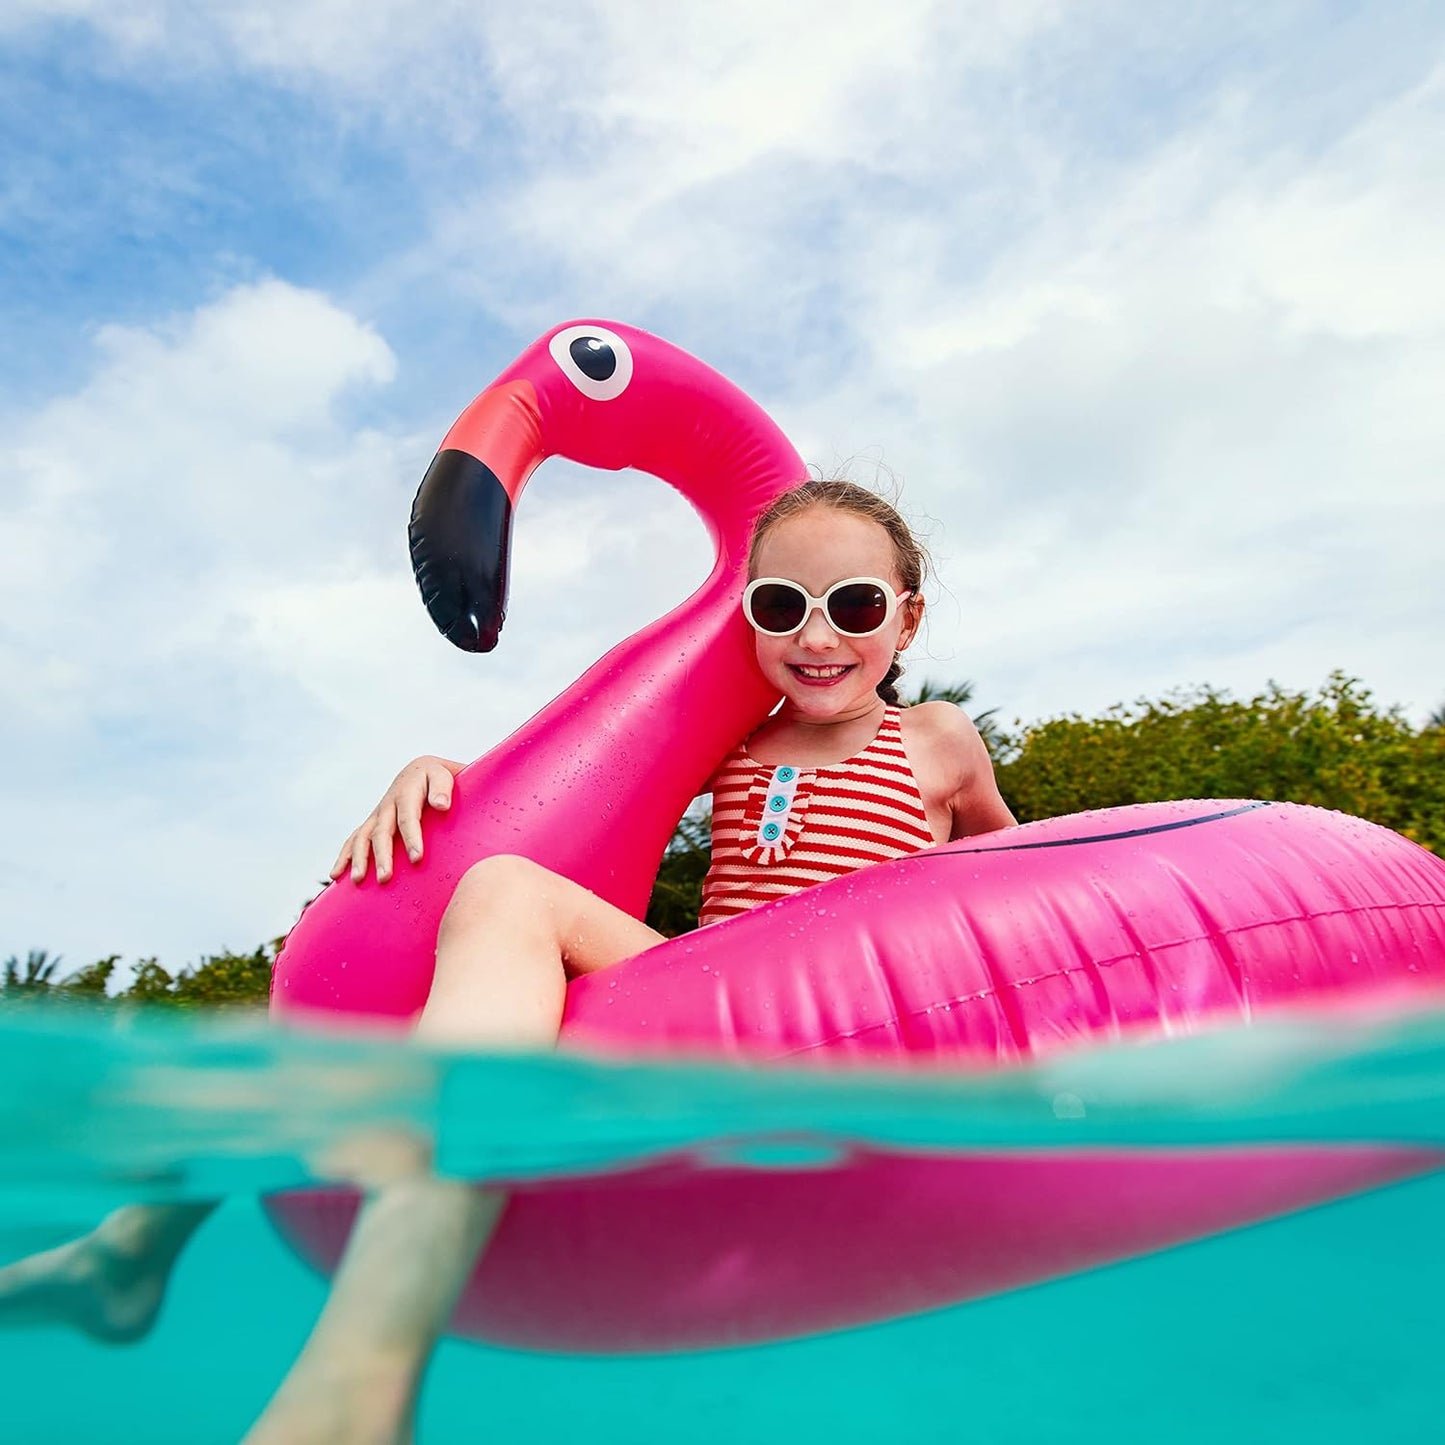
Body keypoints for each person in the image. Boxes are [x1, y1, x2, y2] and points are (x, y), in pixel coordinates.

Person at [0, 479, 1016, 1443]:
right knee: (297, 1023)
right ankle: (127, 1251)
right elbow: (583, 778)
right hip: (714, 996)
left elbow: (1021, 890)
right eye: (779, 603)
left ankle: (362, 1370)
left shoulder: (936, 739)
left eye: (851, 602)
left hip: (853, 1019)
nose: (815, 634)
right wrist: (440, 775)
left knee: (507, 894)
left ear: (907, 619)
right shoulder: (734, 741)